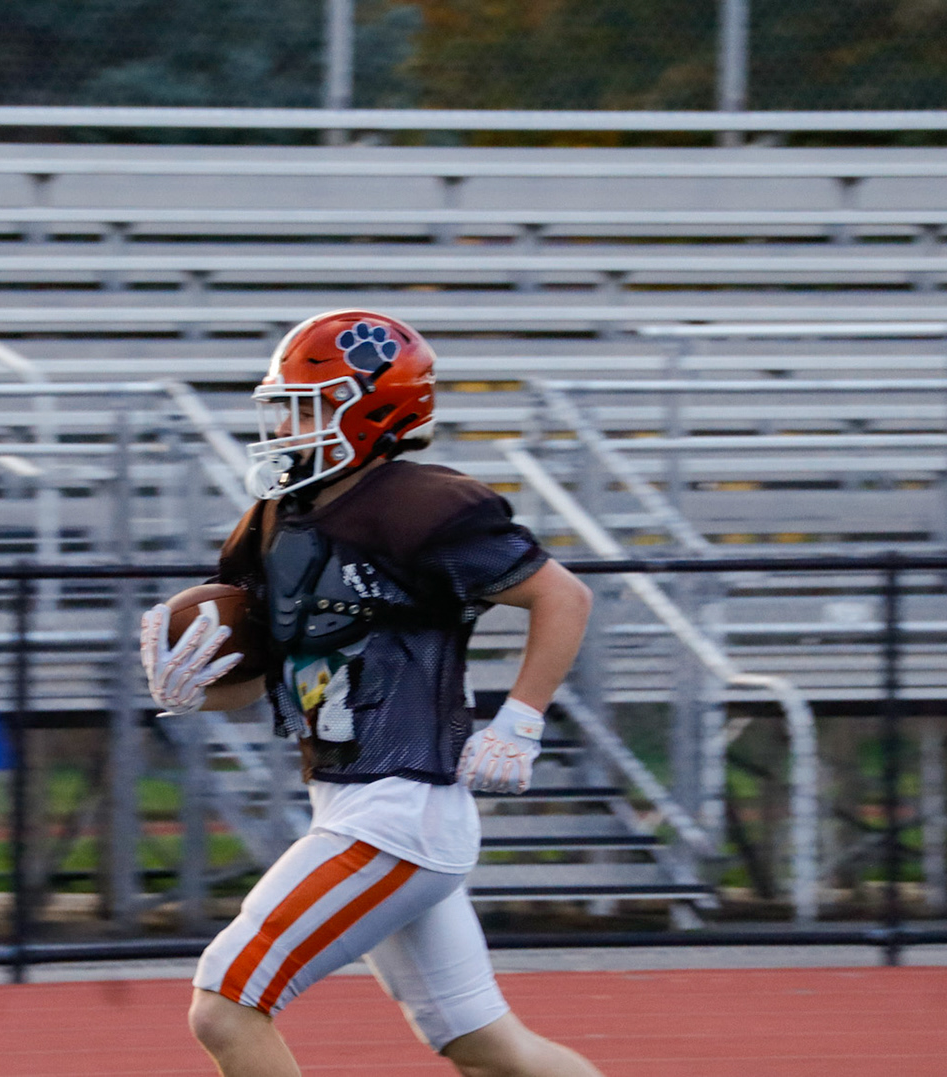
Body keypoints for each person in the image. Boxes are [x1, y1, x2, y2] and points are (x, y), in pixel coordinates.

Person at [139, 310, 603, 1077]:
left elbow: (563, 596)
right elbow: (272, 670)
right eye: (283, 406)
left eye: (307, 406)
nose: (285, 425)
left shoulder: (422, 505)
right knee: (489, 1048)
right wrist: (196, 690)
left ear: (372, 410)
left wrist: (519, 720)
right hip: (356, 803)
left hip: (400, 810)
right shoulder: (278, 515)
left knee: (225, 1003)